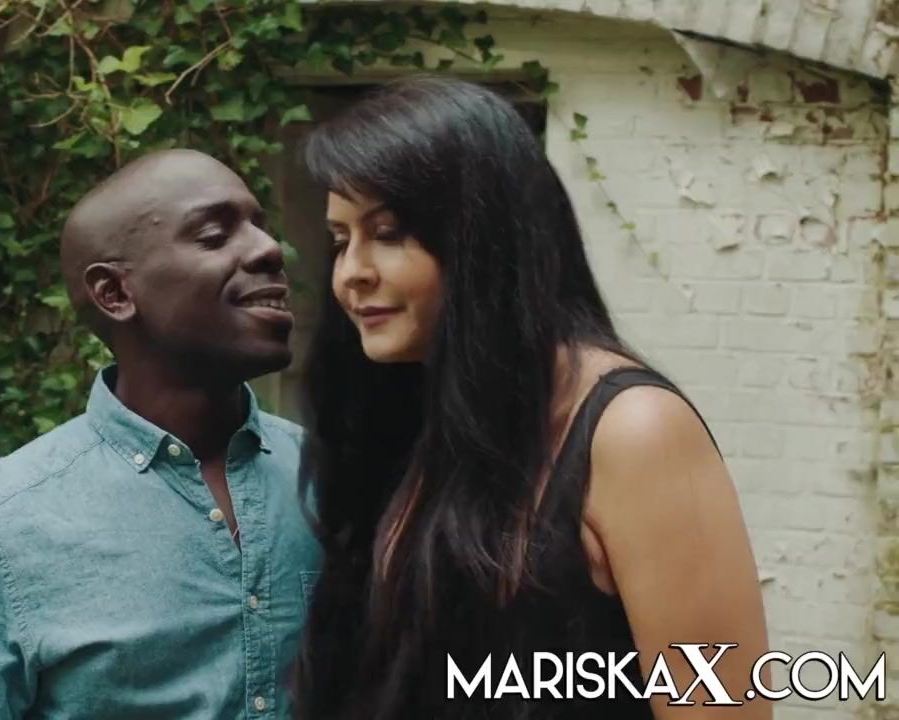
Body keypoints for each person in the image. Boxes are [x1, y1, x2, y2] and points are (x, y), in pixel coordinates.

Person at [290, 77, 771, 719]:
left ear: (483, 236)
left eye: (390, 232)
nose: (352, 273)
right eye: (340, 240)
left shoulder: (633, 431)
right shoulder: (421, 412)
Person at [0, 149, 321, 719]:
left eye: (260, 225)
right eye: (215, 236)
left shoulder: (337, 482)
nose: (269, 249)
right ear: (115, 293)